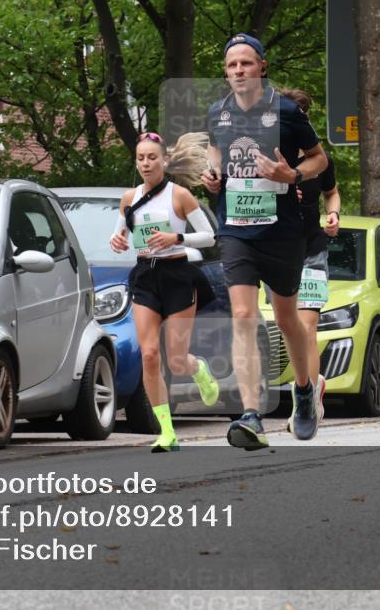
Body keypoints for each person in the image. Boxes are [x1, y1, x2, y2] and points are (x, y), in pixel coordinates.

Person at [200, 33, 329, 448]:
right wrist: (212, 176)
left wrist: (292, 174)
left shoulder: (286, 111)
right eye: (232, 65)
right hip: (235, 230)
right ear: (226, 72)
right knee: (242, 315)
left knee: (288, 319)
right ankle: (251, 415)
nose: (239, 70)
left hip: (282, 232)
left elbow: (320, 159)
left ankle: (304, 391)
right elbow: (214, 152)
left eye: (246, 63)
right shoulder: (217, 113)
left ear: (262, 67)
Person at [110, 132, 221, 452]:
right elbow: (119, 236)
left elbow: (209, 236)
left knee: (176, 360)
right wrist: (117, 241)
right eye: (141, 158)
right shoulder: (129, 198)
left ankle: (198, 368)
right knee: (149, 355)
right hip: (146, 275)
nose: (146, 163)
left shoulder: (180, 195)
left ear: (165, 160)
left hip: (177, 276)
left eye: (152, 157)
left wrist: (176, 239)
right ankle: (167, 432)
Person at [277, 87, 341, 433]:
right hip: (279, 250)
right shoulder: (272, 156)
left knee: (307, 328)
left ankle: (307, 403)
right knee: (289, 328)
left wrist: (333, 215)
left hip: (313, 249)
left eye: (299, 116)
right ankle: (312, 383)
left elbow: (332, 193)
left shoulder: (321, 159)